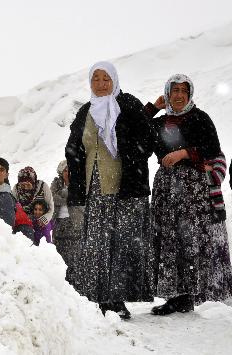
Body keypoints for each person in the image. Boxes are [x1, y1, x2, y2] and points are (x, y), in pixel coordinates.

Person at [66, 61, 155, 319]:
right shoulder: (86, 111)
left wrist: (127, 152)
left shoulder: (128, 105)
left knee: (121, 243)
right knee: (96, 243)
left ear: (114, 80)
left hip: (124, 187)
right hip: (94, 187)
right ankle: (97, 296)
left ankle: (116, 298)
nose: (101, 83)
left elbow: (146, 140)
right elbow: (73, 147)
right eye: (96, 79)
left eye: (106, 79)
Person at [145, 74, 225, 315]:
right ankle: (175, 295)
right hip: (166, 189)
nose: (179, 95)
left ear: (189, 94)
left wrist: (184, 153)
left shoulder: (200, 118)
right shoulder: (160, 122)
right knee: (169, 238)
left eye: (183, 90)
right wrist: (151, 108)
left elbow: (212, 149)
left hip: (192, 190)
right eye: (174, 90)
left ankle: (189, 294)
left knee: (188, 238)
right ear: (167, 93)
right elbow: (134, 134)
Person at [196, 153, 232, 303]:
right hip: (196, 213)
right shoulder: (193, 155)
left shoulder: (217, 154)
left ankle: (218, 293)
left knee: (217, 253)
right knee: (200, 254)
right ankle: (200, 294)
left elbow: (218, 177)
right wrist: (203, 169)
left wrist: (196, 171)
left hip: (214, 212)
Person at [50, 160, 83, 282]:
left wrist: (64, 196)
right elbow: (53, 198)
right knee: (59, 254)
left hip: (75, 222)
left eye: (70, 170)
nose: (68, 172)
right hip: (58, 223)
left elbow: (78, 199)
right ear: (61, 172)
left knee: (75, 256)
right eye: (65, 170)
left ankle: (75, 282)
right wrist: (68, 198)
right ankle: (61, 283)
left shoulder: (79, 183)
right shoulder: (56, 183)